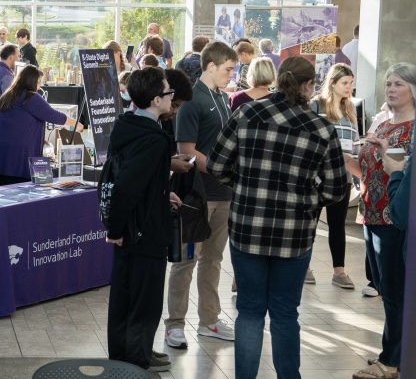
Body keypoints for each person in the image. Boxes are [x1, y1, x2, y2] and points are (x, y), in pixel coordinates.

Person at [206, 57, 349, 379]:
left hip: (247, 228)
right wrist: (309, 201)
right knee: (285, 314)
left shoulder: (245, 114)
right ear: (310, 86)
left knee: (250, 313)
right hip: (295, 234)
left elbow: (216, 165)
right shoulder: (321, 129)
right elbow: (337, 188)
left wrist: (243, 186)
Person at [105, 67, 185, 373]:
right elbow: (127, 185)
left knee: (124, 301)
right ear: (155, 100)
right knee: (144, 303)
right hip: (144, 231)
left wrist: (161, 194)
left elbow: (128, 177)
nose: (171, 98)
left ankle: (121, 362)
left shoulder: (125, 125)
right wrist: (115, 228)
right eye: (168, 93)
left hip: (130, 227)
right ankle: (135, 365)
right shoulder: (155, 139)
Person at [163, 41, 237, 350]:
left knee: (214, 259)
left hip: (224, 193)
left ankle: (209, 320)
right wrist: (223, 170)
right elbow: (186, 151)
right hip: (197, 194)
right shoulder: (193, 101)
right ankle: (174, 324)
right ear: (210, 66)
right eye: (228, 69)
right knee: (186, 260)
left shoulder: (223, 97)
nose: (232, 75)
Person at [343, 62, 416, 379]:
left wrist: (385, 153)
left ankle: (393, 359)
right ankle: (393, 352)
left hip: (394, 218)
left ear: (413, 89)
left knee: (396, 290)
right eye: (388, 83)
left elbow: (401, 172)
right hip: (371, 213)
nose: (391, 89)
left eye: (398, 83)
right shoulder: (384, 124)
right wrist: (343, 156)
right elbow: (366, 169)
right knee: (386, 288)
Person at [0, 65, 83, 187]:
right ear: (30, 81)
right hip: (16, 157)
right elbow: (54, 116)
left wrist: (37, 137)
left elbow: (15, 123)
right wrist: (77, 124)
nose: (39, 86)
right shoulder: (30, 97)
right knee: (18, 198)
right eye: (38, 82)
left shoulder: (8, 95)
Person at [309, 62, 357, 289]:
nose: (349, 88)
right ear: (333, 82)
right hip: (318, 174)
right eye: (345, 83)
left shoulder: (350, 108)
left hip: (343, 175)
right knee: (310, 221)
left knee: (338, 223)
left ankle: (339, 271)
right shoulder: (316, 105)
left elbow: (354, 140)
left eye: (351, 83)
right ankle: (304, 267)